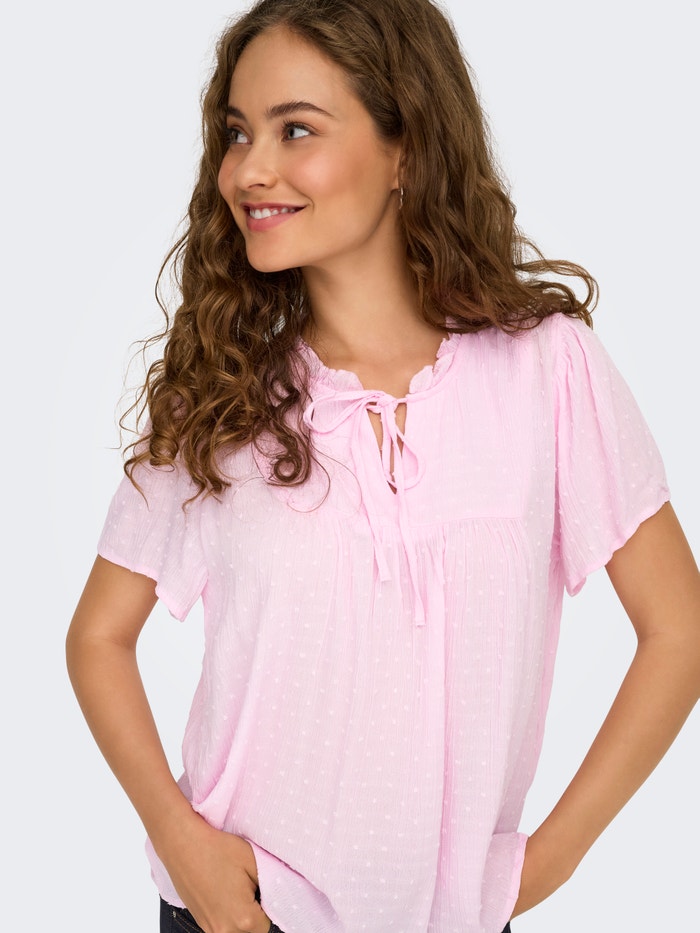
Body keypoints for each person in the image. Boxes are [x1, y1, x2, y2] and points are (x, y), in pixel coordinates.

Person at [65, 0, 700, 931]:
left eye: (296, 129)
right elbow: (97, 637)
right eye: (238, 133)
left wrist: (544, 863)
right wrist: (179, 838)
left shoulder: (548, 370)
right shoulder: (222, 392)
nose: (249, 169)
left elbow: (679, 628)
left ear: (407, 148)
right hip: (243, 909)